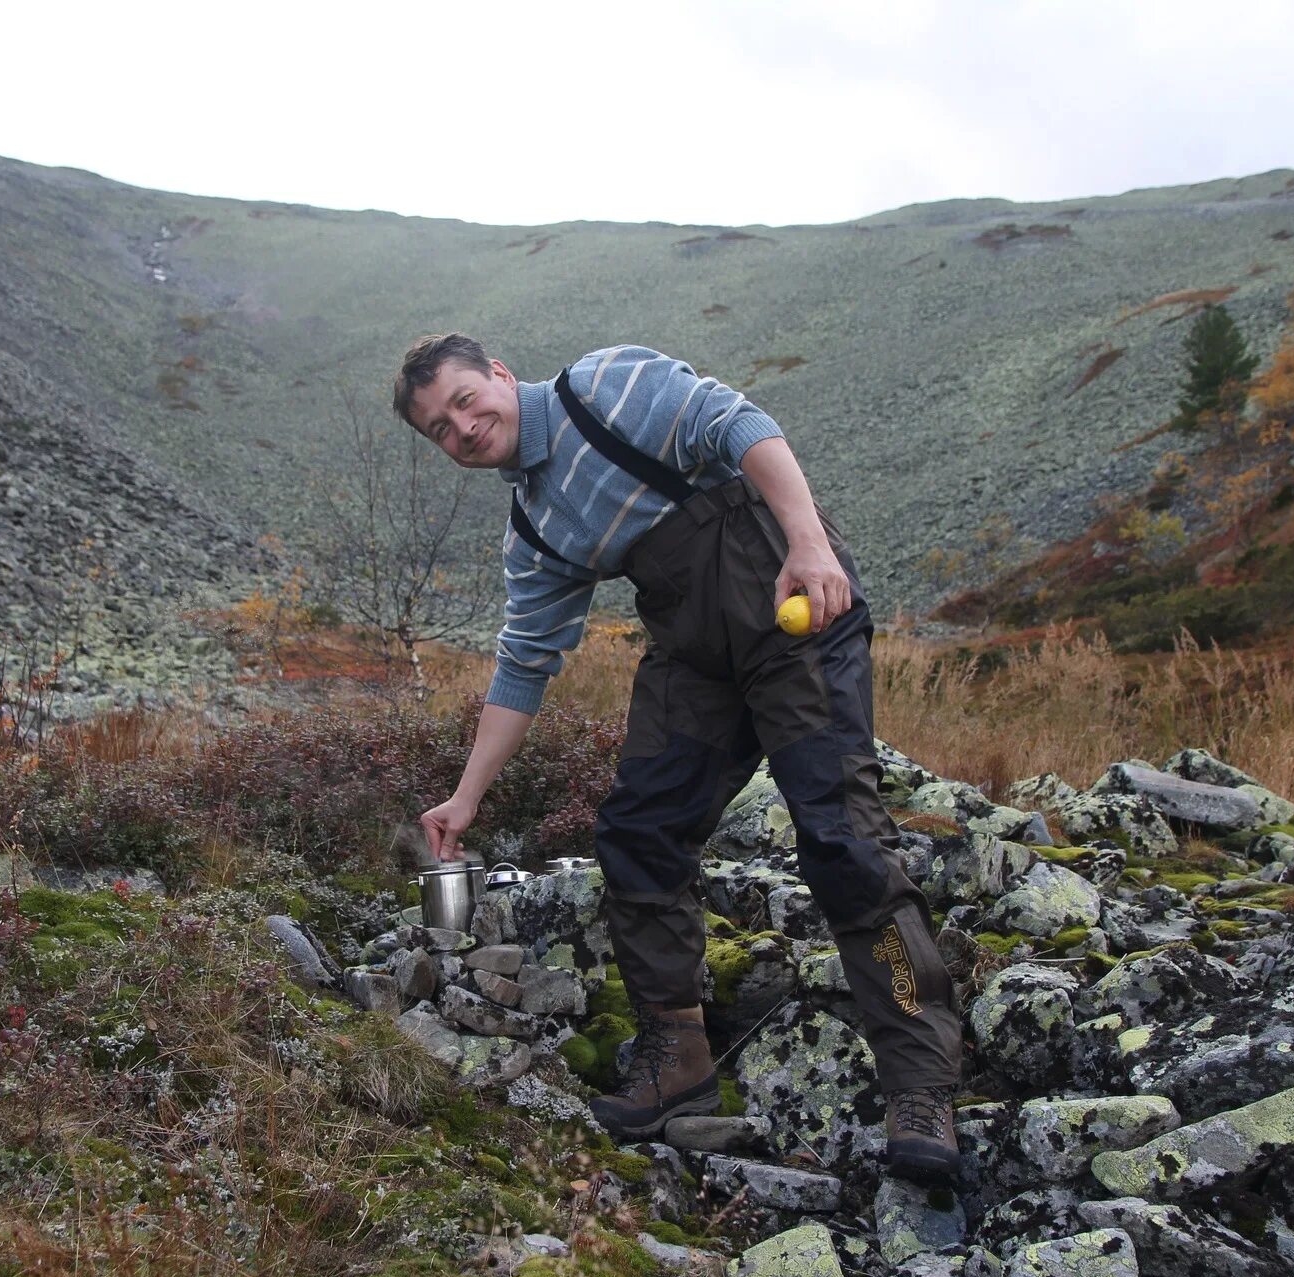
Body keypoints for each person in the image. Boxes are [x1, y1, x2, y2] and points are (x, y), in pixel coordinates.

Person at [396, 334, 962, 1181]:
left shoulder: (604, 387)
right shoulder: (536, 527)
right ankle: (678, 1055)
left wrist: (809, 543)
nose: (463, 430)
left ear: (502, 377)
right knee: (637, 833)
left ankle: (923, 1086)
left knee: (840, 839)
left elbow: (740, 426)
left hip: (788, 599)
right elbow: (525, 661)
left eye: (467, 401)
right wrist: (466, 798)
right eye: (440, 428)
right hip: (695, 656)